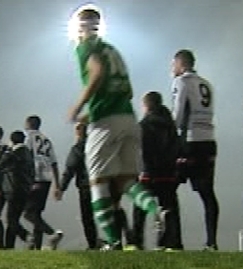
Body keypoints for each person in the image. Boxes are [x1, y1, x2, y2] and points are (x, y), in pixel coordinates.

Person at [67, 7, 162, 251]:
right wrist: (93, 111)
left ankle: (112, 241)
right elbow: (128, 90)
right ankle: (157, 209)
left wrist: (78, 106)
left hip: (106, 123)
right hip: (128, 119)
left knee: (98, 182)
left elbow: (96, 73)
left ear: (80, 26)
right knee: (125, 182)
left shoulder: (87, 46)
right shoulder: (113, 49)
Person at [171, 49, 219, 250]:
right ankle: (211, 242)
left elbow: (178, 113)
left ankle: (173, 241)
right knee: (208, 194)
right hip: (208, 140)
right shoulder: (206, 83)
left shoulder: (181, 82)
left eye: (173, 64)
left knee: (168, 188)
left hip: (189, 142)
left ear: (181, 64)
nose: (171, 69)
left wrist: (170, 140)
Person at [133, 91, 182, 250]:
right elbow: (177, 147)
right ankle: (172, 243)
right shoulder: (170, 124)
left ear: (146, 105)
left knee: (139, 207)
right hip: (169, 173)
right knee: (170, 207)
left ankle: (137, 242)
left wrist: (141, 170)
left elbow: (142, 151)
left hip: (149, 173)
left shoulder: (144, 125)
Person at [23, 115, 63, 250]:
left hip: (34, 177)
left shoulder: (28, 137)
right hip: (47, 179)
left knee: (28, 213)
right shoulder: (47, 140)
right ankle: (37, 247)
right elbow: (54, 163)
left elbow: (26, 156)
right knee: (37, 214)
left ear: (28, 124)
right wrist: (57, 185)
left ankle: (52, 234)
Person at [0, 130, 34, 249]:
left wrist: (0, 153)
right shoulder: (27, 153)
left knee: (11, 220)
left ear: (12, 140)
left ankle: (26, 236)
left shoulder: (13, 154)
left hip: (13, 189)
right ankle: (9, 246)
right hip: (25, 189)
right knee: (14, 218)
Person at [59, 122, 97, 249]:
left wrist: (61, 188)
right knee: (107, 213)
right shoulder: (98, 144)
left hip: (86, 185)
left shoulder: (78, 147)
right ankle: (116, 241)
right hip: (103, 183)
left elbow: (70, 168)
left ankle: (93, 244)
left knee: (87, 216)